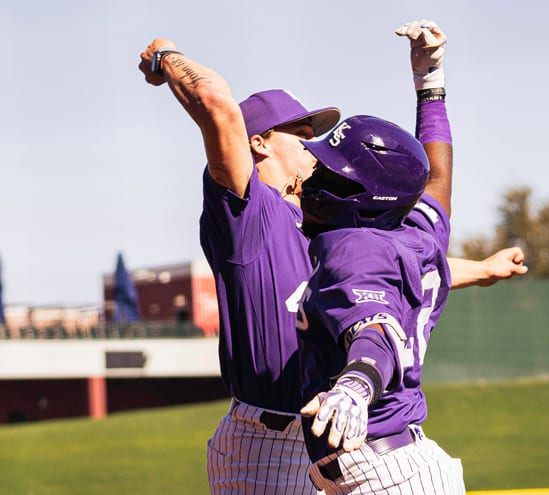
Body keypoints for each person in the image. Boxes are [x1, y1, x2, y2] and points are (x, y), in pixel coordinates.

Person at [138, 19, 525, 495]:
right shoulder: (249, 213)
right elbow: (216, 105)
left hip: (346, 439)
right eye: (301, 131)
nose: (314, 144)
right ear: (257, 141)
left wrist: (480, 269)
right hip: (269, 442)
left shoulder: (343, 227)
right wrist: (166, 55)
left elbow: (378, 279)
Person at [295, 121, 462, 492]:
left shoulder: (355, 247)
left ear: (368, 197)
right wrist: (430, 86)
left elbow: (376, 329)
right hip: (391, 467)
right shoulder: (415, 232)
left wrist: (357, 384)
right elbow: (437, 186)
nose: (314, 181)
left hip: (384, 476)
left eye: (332, 176)